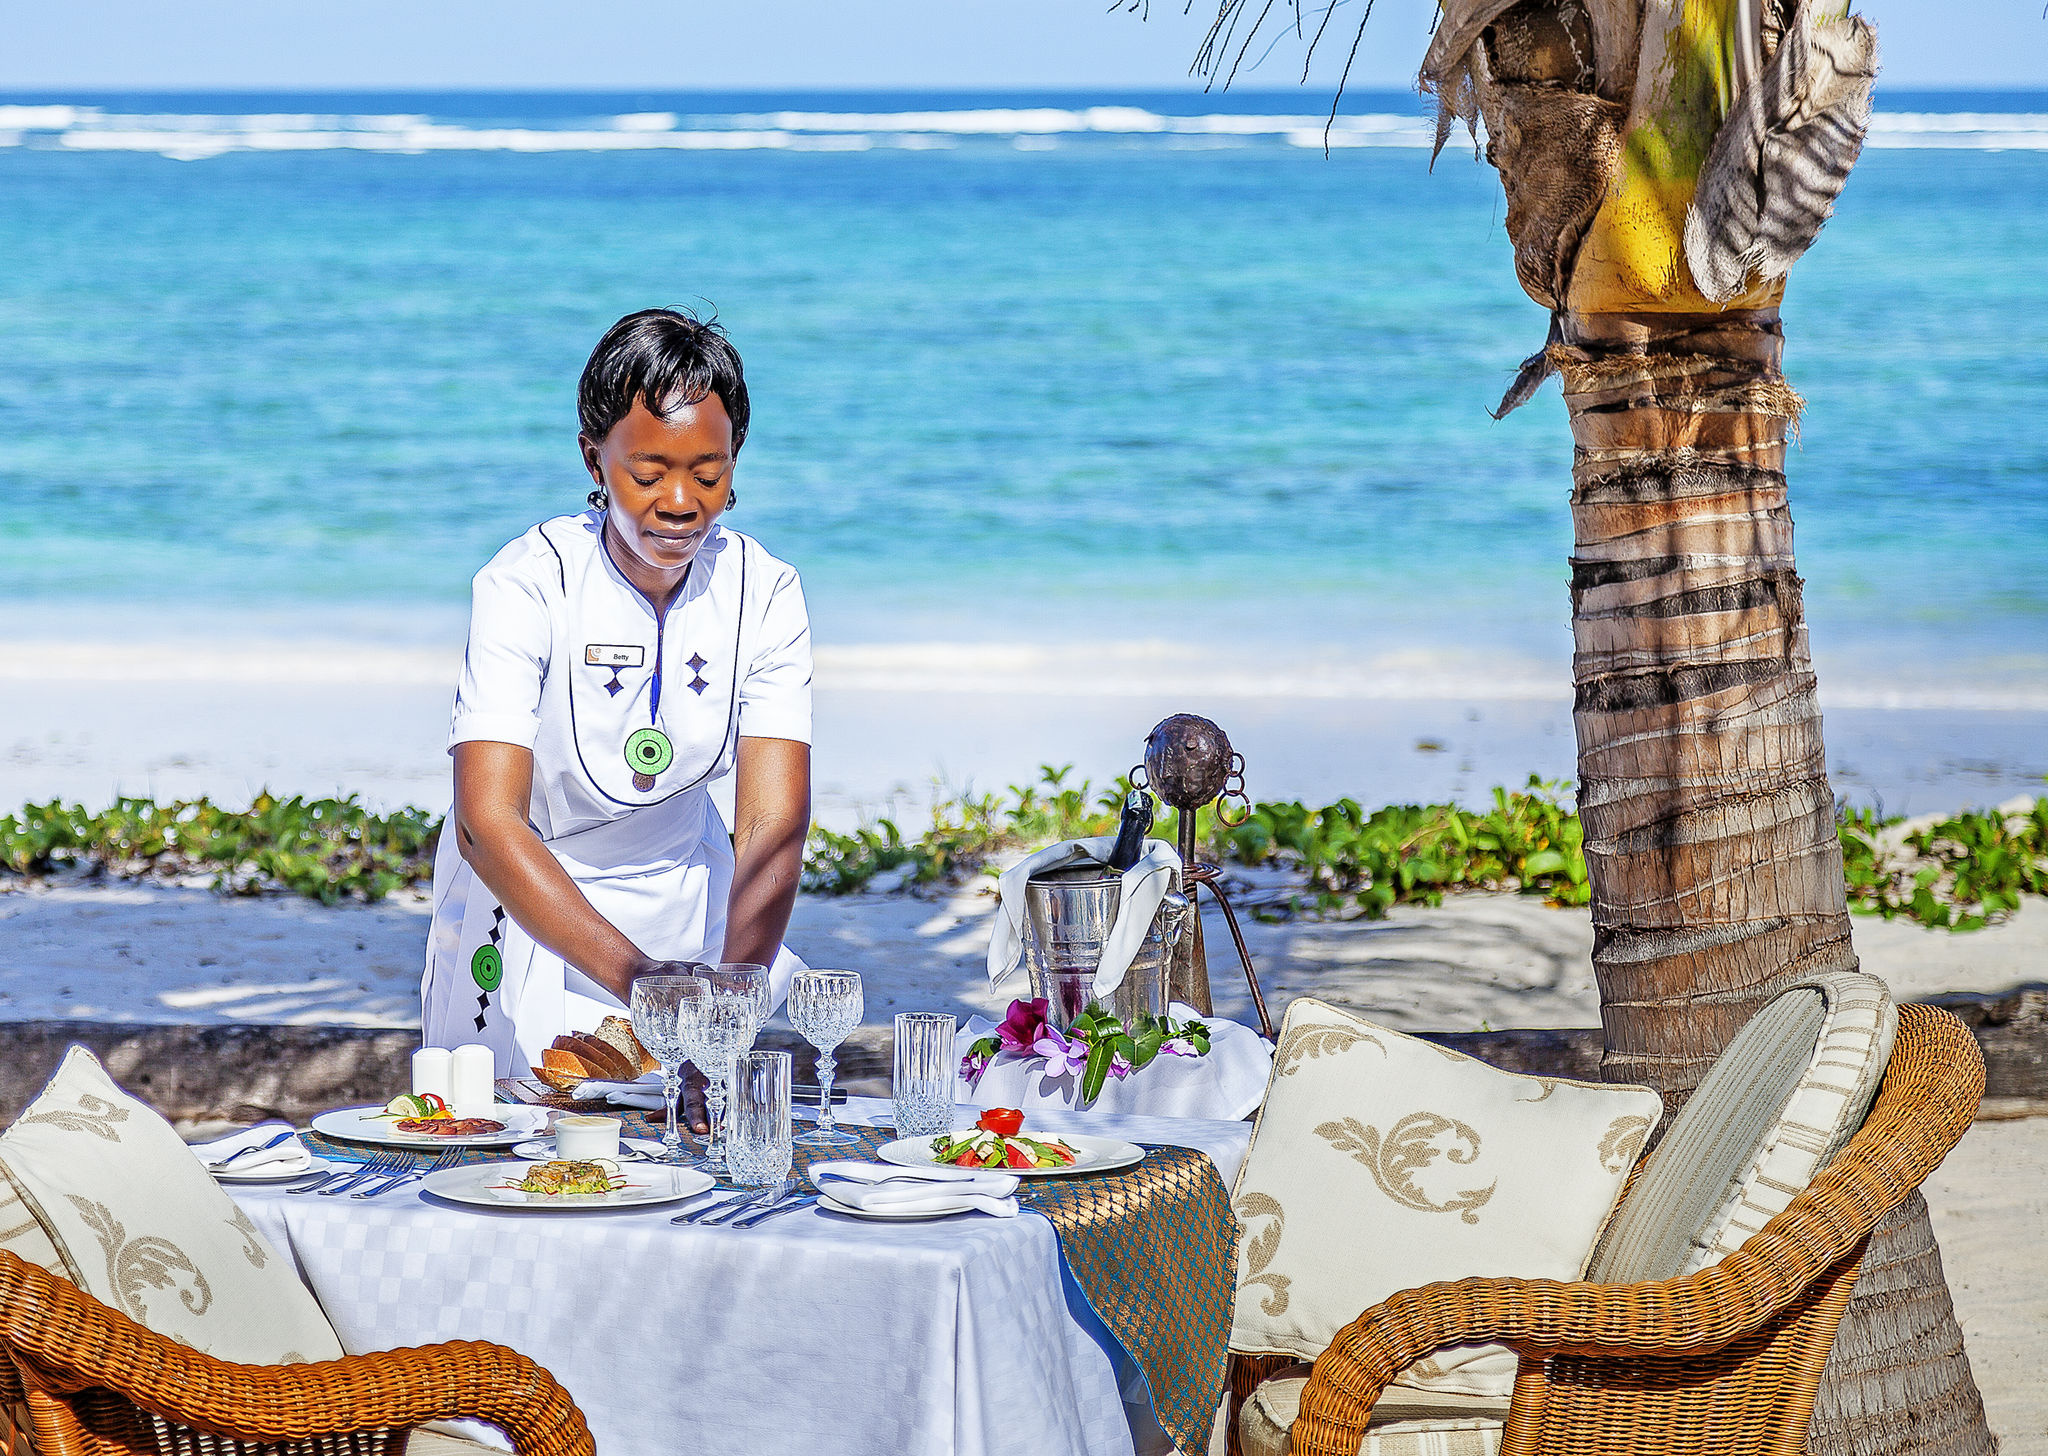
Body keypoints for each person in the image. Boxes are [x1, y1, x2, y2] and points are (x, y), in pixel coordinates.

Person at [421, 308, 811, 1091]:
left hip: (691, 920)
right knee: (523, 1156)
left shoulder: (764, 591)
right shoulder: (525, 583)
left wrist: (727, 1003)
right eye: (647, 472)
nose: (679, 501)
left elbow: (774, 822)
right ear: (594, 459)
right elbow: (485, 821)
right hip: (533, 905)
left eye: (709, 473)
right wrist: (639, 979)